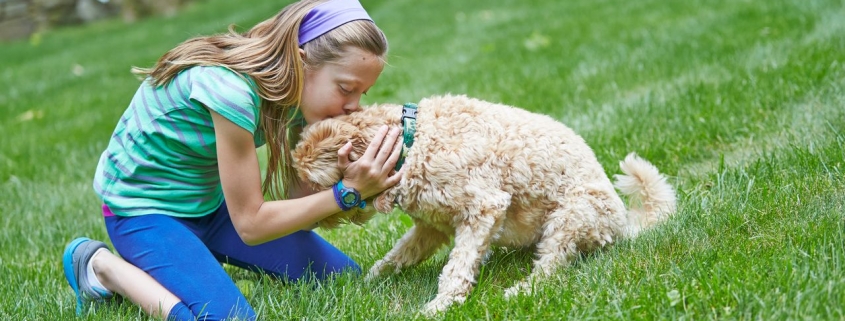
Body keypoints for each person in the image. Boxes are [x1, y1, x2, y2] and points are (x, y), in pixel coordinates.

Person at [61, 0, 403, 320]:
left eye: (362, 93)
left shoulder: (301, 99)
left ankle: (190, 257)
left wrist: (338, 176)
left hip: (210, 207)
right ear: (301, 63)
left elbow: (299, 216)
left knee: (341, 276)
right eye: (346, 89)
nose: (354, 106)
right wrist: (345, 194)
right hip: (142, 212)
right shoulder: (233, 92)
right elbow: (251, 225)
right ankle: (99, 265)